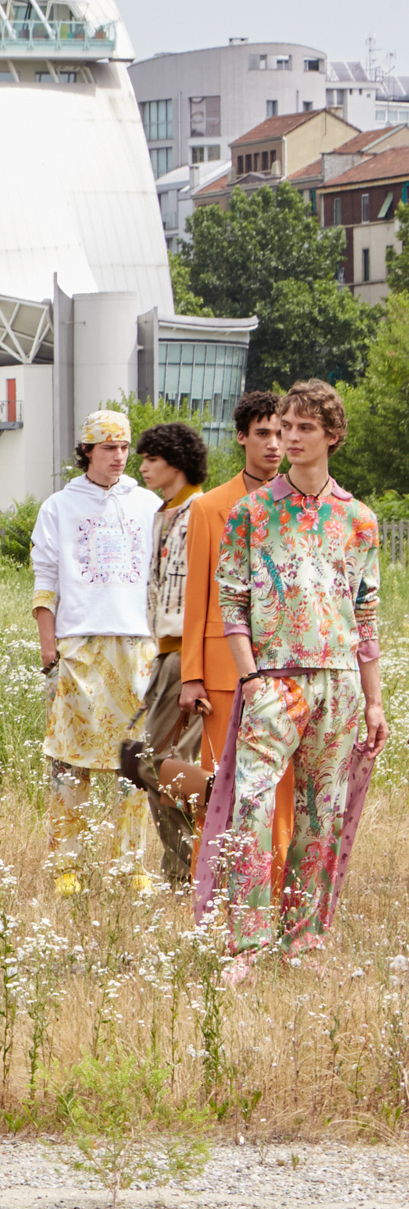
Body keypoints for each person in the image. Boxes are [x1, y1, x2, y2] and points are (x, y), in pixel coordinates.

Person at [192, 380, 386, 979]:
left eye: (303, 428)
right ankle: (246, 945)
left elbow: (367, 611)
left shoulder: (358, 519)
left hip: (341, 684)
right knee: (250, 808)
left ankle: (303, 942)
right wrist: (251, 680)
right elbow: (232, 600)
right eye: (283, 427)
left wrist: (375, 702)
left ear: (331, 435)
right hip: (274, 681)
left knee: (320, 816)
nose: (290, 438)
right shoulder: (253, 511)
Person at [29, 410, 162, 893]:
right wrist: (50, 643)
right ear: (86, 450)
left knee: (135, 761)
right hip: (79, 645)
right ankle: (67, 865)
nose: (119, 457)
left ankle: (132, 865)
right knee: (70, 760)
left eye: (125, 447)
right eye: (108, 448)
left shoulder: (149, 504)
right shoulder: (59, 506)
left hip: (137, 645)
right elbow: (45, 577)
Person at [179, 390, 296, 881]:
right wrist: (191, 676)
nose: (275, 444)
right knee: (220, 788)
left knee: (281, 790)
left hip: (288, 666)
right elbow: (197, 592)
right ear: (242, 437)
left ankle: (270, 891)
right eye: (264, 433)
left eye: (282, 433)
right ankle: (214, 894)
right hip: (222, 670)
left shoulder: (305, 505)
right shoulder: (209, 507)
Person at [115, 422, 212, 886]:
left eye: (150, 458)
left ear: (174, 460)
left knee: (153, 763)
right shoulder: (162, 513)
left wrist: (193, 663)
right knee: (150, 766)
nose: (142, 466)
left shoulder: (204, 511)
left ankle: (224, 809)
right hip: (164, 654)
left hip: (191, 658)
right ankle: (181, 871)